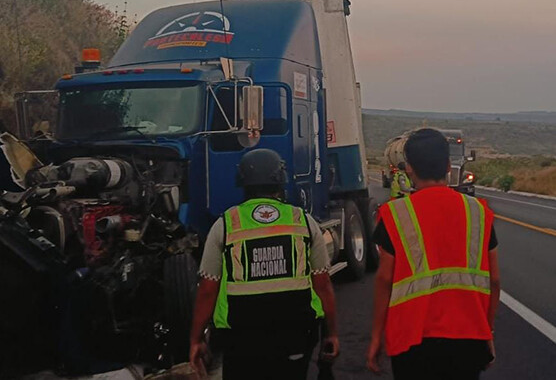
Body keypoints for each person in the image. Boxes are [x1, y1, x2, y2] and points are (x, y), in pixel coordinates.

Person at [189, 148, 339, 380]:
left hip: (241, 338)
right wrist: (331, 334)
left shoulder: (226, 224)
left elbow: (208, 289)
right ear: (281, 180)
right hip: (296, 335)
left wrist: (196, 339)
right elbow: (322, 284)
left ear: (242, 182)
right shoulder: (303, 221)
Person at [367, 128, 500, 380]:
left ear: (408, 168)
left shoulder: (395, 215)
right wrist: (487, 331)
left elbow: (384, 280)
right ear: (449, 166)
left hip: (412, 340)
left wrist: (377, 338)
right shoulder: (480, 213)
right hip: (469, 336)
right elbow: (494, 280)